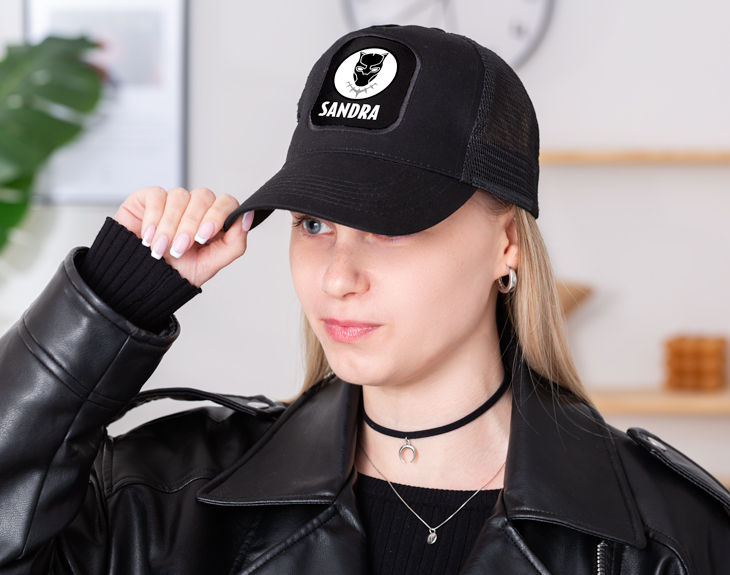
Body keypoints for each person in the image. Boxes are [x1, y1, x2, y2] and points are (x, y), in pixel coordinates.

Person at [0, 24, 728, 575]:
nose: (337, 277)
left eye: (389, 226)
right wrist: (111, 298)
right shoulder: (165, 497)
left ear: (506, 242)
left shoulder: (664, 538)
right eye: (314, 224)